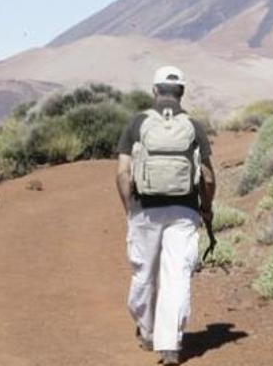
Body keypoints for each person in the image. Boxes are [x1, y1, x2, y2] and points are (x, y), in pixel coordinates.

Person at [115, 65, 216, 365]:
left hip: (144, 209)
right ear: (181, 93)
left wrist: (129, 210)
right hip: (184, 210)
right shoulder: (194, 126)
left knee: (144, 273)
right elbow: (208, 177)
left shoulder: (137, 123)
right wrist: (206, 207)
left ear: (155, 91)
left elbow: (122, 172)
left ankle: (147, 333)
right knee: (176, 275)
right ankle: (169, 344)